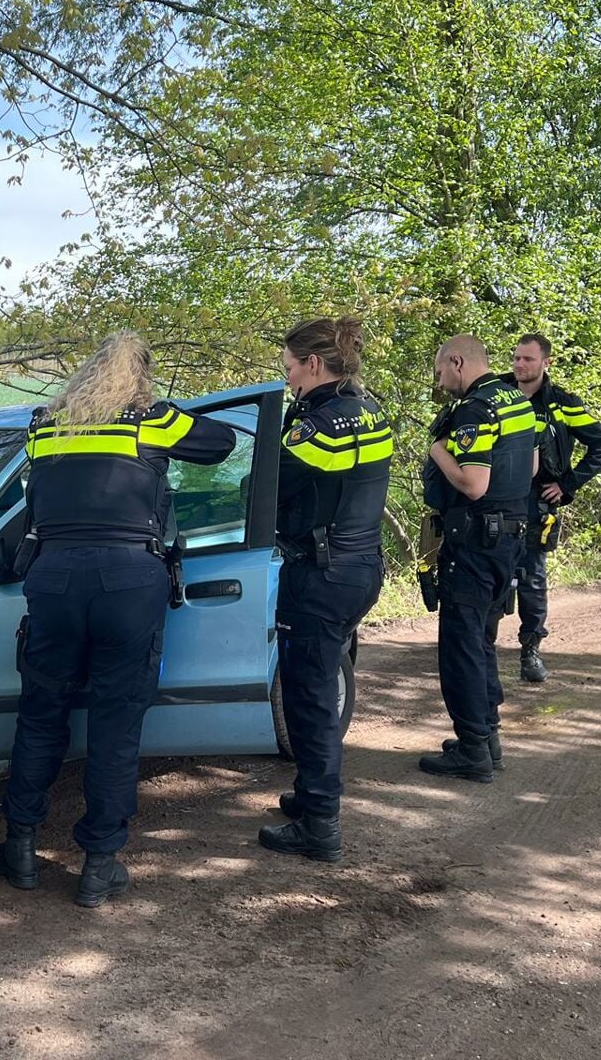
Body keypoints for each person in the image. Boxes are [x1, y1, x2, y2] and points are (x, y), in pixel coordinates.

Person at [0, 331, 236, 907]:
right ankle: (99, 865)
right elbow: (220, 443)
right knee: (116, 723)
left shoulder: (45, 425)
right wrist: (164, 416)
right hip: (128, 579)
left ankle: (20, 846)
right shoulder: (150, 420)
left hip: (53, 578)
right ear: (140, 376)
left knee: (41, 712)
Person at [257, 318, 392, 862]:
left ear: (313, 364)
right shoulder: (369, 410)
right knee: (319, 680)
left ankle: (320, 825)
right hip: (361, 566)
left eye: (289, 368)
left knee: (308, 697)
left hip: (319, 574)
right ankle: (312, 793)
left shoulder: (317, 428)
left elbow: (267, 490)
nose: (287, 380)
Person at [418, 334, 536, 782]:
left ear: (457, 361)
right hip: (508, 541)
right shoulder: (517, 401)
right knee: (482, 641)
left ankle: (472, 751)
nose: (441, 380)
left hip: (474, 543)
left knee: (461, 646)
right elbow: (529, 468)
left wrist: (439, 452)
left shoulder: (475, 409)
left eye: (441, 371)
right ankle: (486, 737)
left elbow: (473, 484)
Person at [510, 333, 601, 683]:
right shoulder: (498, 393)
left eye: (528, 359)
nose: (520, 365)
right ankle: (479, 646)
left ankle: (531, 649)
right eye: (517, 358)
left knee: (532, 575)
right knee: (487, 570)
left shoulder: (562, 403)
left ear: (545, 362)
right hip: (494, 497)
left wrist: (568, 484)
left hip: (538, 501)